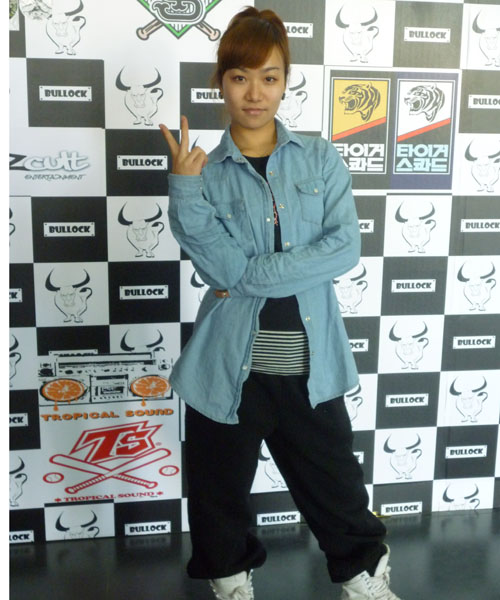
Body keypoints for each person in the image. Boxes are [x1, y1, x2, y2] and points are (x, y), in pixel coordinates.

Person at [160, 7, 402, 600]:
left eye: (269, 77)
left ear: (286, 81)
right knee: (218, 497)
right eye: (240, 76)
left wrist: (249, 274)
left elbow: (344, 248)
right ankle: (230, 584)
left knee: (339, 491)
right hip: (226, 370)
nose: (255, 92)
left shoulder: (319, 158)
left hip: (307, 367)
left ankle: (364, 580)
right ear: (221, 82)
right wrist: (185, 188)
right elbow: (218, 269)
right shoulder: (202, 172)